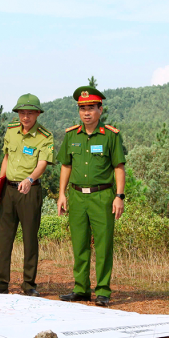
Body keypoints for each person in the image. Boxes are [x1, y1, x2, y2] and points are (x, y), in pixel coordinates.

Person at [56, 86, 126, 306]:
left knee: (104, 244)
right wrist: (61, 194)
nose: (86, 113)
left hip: (102, 196)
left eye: (91, 108)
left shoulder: (110, 136)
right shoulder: (71, 135)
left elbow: (118, 167)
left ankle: (103, 290)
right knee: (79, 243)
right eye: (82, 108)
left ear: (100, 109)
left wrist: (119, 196)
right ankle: (81, 288)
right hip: (76, 196)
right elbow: (66, 165)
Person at [0, 94, 54, 296]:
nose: (26, 117)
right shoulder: (11, 131)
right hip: (9, 189)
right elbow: (6, 158)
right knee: (5, 236)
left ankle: (29, 283)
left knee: (30, 237)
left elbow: (42, 163)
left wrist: (30, 179)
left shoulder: (44, 136)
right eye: (22, 113)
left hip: (29, 190)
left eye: (30, 113)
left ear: (37, 114)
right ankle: (0, 282)